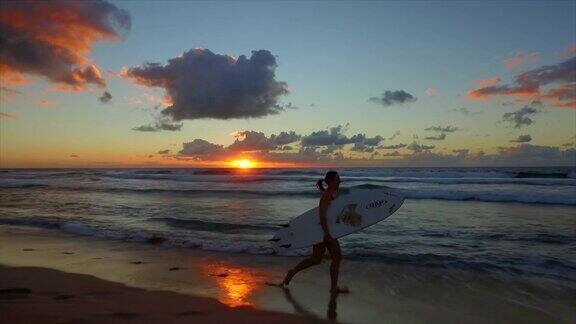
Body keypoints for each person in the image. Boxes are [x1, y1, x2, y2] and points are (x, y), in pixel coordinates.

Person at [280, 170, 349, 293]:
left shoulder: (334, 193)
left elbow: (332, 214)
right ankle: (333, 288)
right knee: (336, 257)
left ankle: (292, 272)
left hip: (326, 230)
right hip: (323, 231)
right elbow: (322, 216)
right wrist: (327, 233)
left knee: (316, 259)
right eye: (338, 178)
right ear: (331, 181)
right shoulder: (327, 195)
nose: (340, 180)